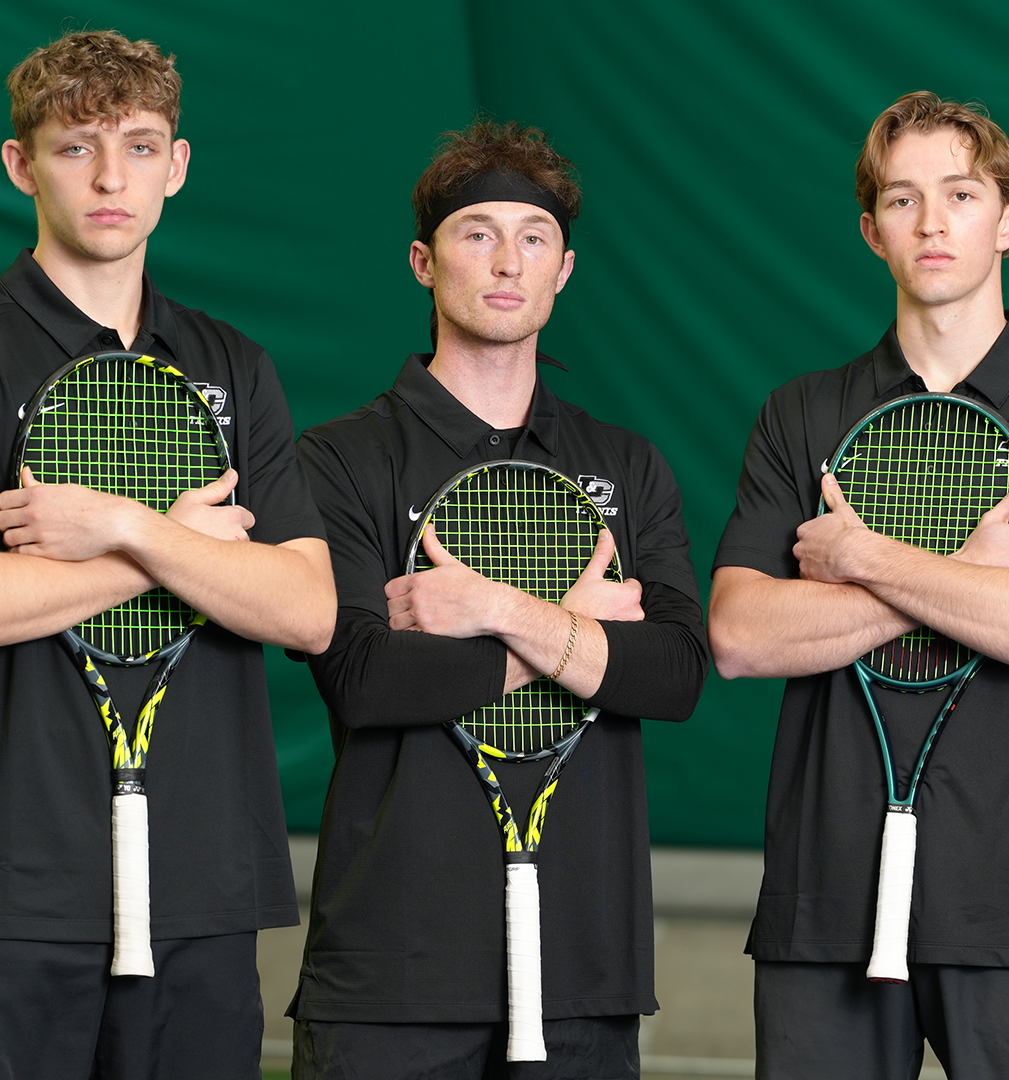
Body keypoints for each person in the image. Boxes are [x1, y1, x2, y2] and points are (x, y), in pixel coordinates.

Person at [0, 29, 335, 1080]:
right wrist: (165, 555)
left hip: (200, 892)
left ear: (178, 165)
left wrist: (124, 525)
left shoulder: (234, 368)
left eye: (139, 143)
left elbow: (307, 610)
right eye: (77, 149)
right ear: (22, 166)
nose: (112, 175)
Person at [707, 91, 1009, 1080]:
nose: (934, 221)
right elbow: (740, 636)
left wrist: (862, 558)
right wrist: (972, 579)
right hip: (823, 902)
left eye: (960, 193)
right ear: (872, 232)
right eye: (903, 201)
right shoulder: (802, 413)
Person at [288, 119, 708, 1080]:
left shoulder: (627, 467)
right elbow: (363, 678)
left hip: (585, 974)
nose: (507, 260)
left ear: (565, 269)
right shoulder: (337, 460)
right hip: (390, 974)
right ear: (422, 261)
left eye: (533, 237)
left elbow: (676, 673)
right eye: (477, 232)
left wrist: (491, 611)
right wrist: (581, 638)